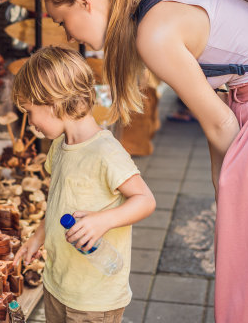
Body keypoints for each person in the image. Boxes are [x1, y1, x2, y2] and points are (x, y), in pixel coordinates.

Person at [42, 0, 248, 322]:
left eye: (62, 21)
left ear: (84, 1)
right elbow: (221, 110)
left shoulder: (153, 32)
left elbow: (220, 125)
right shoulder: (161, 3)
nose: (69, 35)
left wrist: (228, 190)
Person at [12, 46, 156, 323]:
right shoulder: (59, 146)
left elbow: (145, 200)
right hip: (58, 284)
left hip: (94, 297)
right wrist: (37, 237)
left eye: (30, 112)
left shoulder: (105, 152)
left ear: (52, 102)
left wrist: (102, 221)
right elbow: (57, 204)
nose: (30, 123)